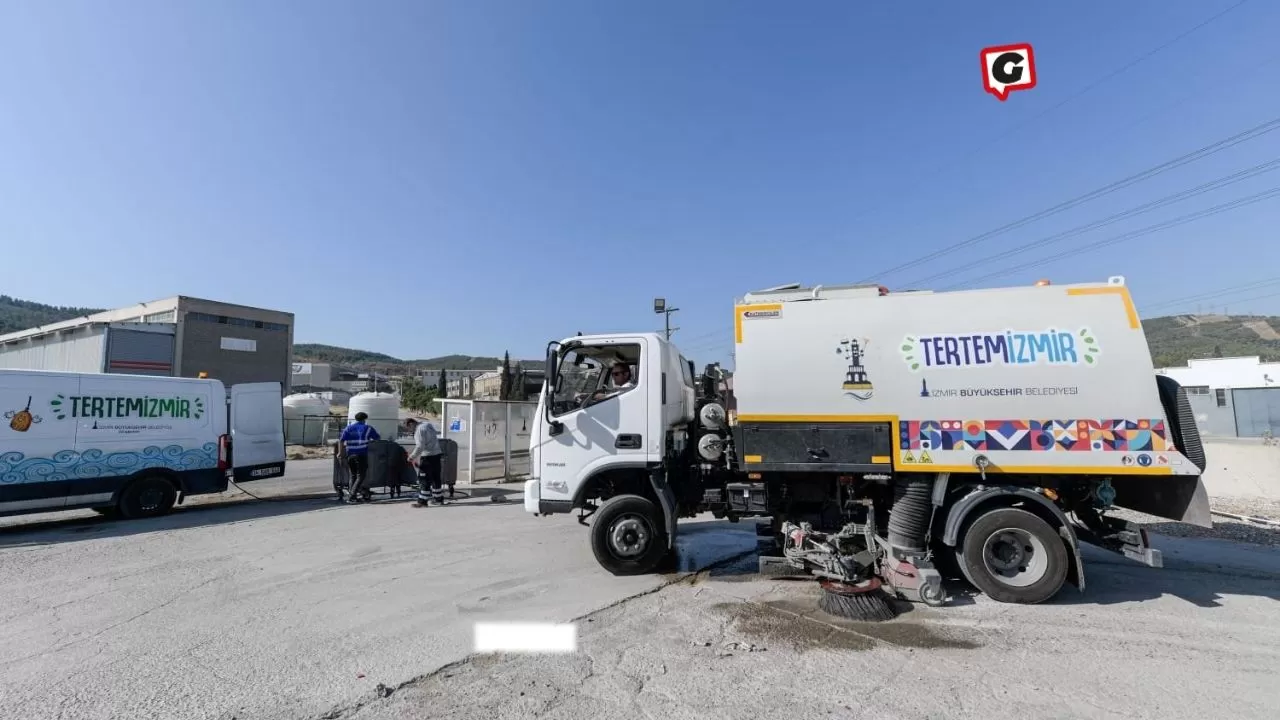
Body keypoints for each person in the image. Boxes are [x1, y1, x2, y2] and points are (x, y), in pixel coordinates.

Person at [338, 412, 380, 504]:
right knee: (361, 476)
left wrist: (340, 453)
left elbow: (341, 441)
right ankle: (352, 496)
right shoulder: (368, 428)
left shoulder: (348, 428)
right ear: (364, 419)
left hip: (350, 455)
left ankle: (351, 494)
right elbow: (377, 438)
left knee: (353, 475)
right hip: (361, 454)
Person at [405, 417, 445, 507]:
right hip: (437, 455)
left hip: (427, 457)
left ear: (411, 424)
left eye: (409, 428)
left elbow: (420, 446)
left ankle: (422, 501)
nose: (410, 431)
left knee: (424, 479)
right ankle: (438, 499)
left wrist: (412, 457)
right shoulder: (428, 425)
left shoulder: (419, 430)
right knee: (435, 478)